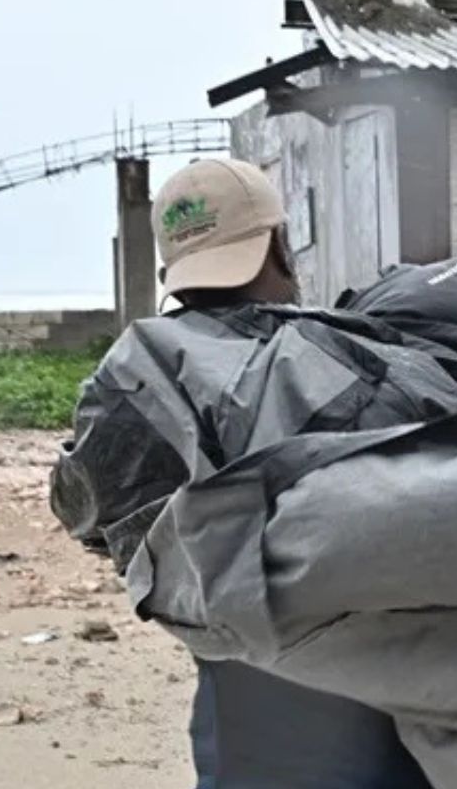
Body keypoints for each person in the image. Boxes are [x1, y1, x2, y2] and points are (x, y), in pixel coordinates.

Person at [80, 156, 431, 789]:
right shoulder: (357, 356)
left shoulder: (130, 377)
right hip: (385, 701)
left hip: (236, 704)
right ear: (280, 244)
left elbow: (90, 517)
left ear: (170, 268)